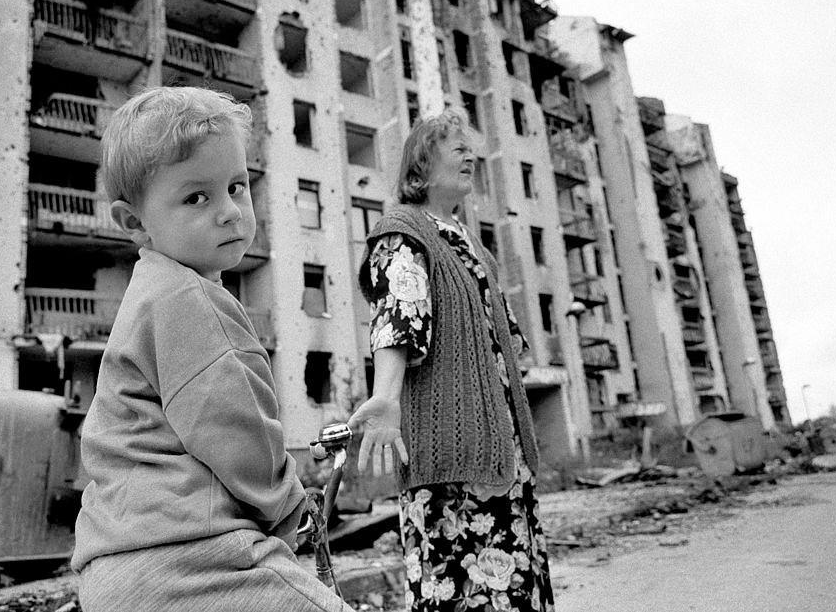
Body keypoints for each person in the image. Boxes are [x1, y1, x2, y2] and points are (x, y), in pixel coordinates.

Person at [72, 87, 353, 612]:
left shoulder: (152, 292)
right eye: (197, 197)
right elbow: (235, 432)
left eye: (237, 186)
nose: (229, 212)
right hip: (189, 557)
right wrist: (291, 508)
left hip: (118, 563)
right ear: (134, 223)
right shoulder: (190, 300)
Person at [348, 107, 555, 611]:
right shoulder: (404, 229)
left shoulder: (470, 244)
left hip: (500, 450)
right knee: (465, 595)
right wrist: (386, 398)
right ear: (418, 170)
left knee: (514, 588)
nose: (470, 154)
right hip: (450, 457)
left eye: (471, 147)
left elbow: (506, 340)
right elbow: (398, 315)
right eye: (454, 145)